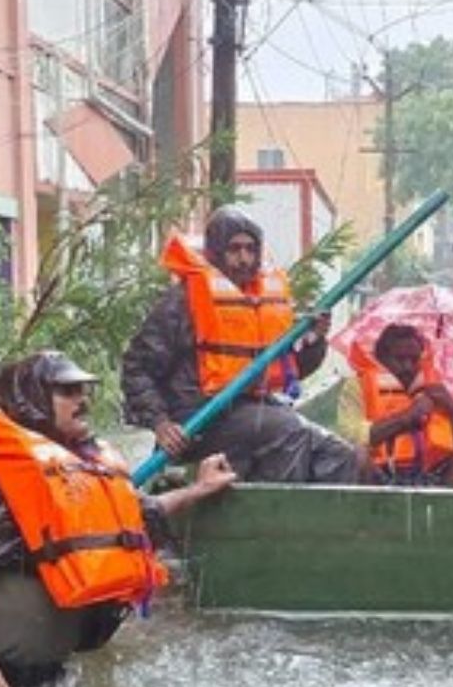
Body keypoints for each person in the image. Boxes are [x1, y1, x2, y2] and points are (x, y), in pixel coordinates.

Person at [0, 352, 237, 687]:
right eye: (67, 390)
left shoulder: (85, 474)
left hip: (55, 679)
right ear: (30, 399)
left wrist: (198, 489)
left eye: (83, 389)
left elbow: (141, 515)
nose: (82, 399)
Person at [121, 206, 362, 484]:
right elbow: (136, 367)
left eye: (250, 249)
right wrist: (161, 423)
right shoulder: (183, 301)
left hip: (253, 409)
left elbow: (290, 370)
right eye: (234, 250)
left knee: (338, 454)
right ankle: (276, 519)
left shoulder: (263, 301)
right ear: (215, 252)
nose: (244, 259)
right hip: (199, 418)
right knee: (288, 429)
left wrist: (316, 340)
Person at [347, 324, 453, 487]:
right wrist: (407, 418)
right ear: (381, 358)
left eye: (414, 359)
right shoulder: (357, 386)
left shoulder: (435, 387)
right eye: (400, 359)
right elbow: (351, 436)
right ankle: (370, 511)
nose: (408, 367)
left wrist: (452, 410)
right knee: (358, 454)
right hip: (380, 474)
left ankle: (446, 510)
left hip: (432, 475)